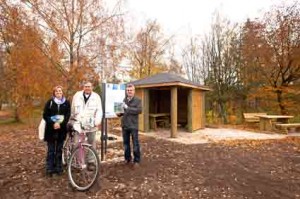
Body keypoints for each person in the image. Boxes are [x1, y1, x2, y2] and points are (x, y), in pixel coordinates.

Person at [70, 81, 102, 169]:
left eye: (89, 86)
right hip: (78, 124)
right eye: (86, 86)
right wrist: (72, 120)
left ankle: (91, 161)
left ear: (92, 87)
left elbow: (99, 110)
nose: (87, 88)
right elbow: (73, 109)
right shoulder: (77, 96)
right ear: (83, 87)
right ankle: (80, 163)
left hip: (91, 125)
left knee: (91, 142)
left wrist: (97, 121)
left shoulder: (96, 97)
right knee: (78, 143)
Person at [43, 85, 71, 176]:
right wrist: (53, 123)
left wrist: (60, 124)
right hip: (51, 130)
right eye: (57, 91)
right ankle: (50, 168)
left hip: (61, 130)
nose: (58, 93)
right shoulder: (50, 102)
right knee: (51, 150)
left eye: (60, 91)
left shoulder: (66, 103)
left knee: (59, 149)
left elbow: (67, 116)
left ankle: (58, 167)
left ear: (62, 92)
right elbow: (45, 115)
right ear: (54, 93)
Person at [117, 83, 142, 166]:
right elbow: (122, 112)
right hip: (125, 125)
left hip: (133, 125)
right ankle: (127, 159)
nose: (129, 91)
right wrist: (118, 113)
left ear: (134, 91)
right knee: (126, 144)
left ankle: (136, 160)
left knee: (135, 143)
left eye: (131, 90)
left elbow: (138, 111)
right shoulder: (124, 100)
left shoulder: (138, 100)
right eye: (128, 90)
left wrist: (127, 107)